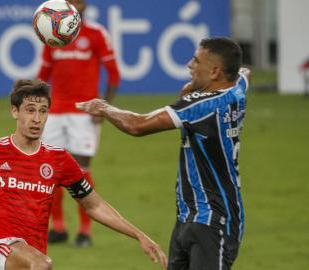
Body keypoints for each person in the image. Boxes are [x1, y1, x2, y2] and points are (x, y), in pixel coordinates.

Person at [0, 79, 167, 270]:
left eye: (43, 111)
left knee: (39, 261)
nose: (37, 119)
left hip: (30, 257)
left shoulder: (58, 160)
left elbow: (94, 206)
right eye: (29, 110)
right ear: (14, 112)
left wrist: (139, 235)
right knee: (42, 263)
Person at [76, 37, 251, 270]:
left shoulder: (203, 105)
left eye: (196, 61)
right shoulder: (236, 89)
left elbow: (137, 125)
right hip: (188, 217)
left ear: (215, 71)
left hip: (212, 221)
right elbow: (245, 73)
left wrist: (104, 108)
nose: (190, 65)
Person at [36, 0, 120, 247]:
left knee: (81, 169)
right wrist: (38, 107)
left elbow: (114, 74)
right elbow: (43, 75)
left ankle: (85, 231)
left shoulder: (95, 34)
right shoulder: (52, 36)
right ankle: (58, 228)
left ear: (83, 6)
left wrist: (102, 106)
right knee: (49, 169)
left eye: (77, 1)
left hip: (84, 112)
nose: (73, 4)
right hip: (55, 111)